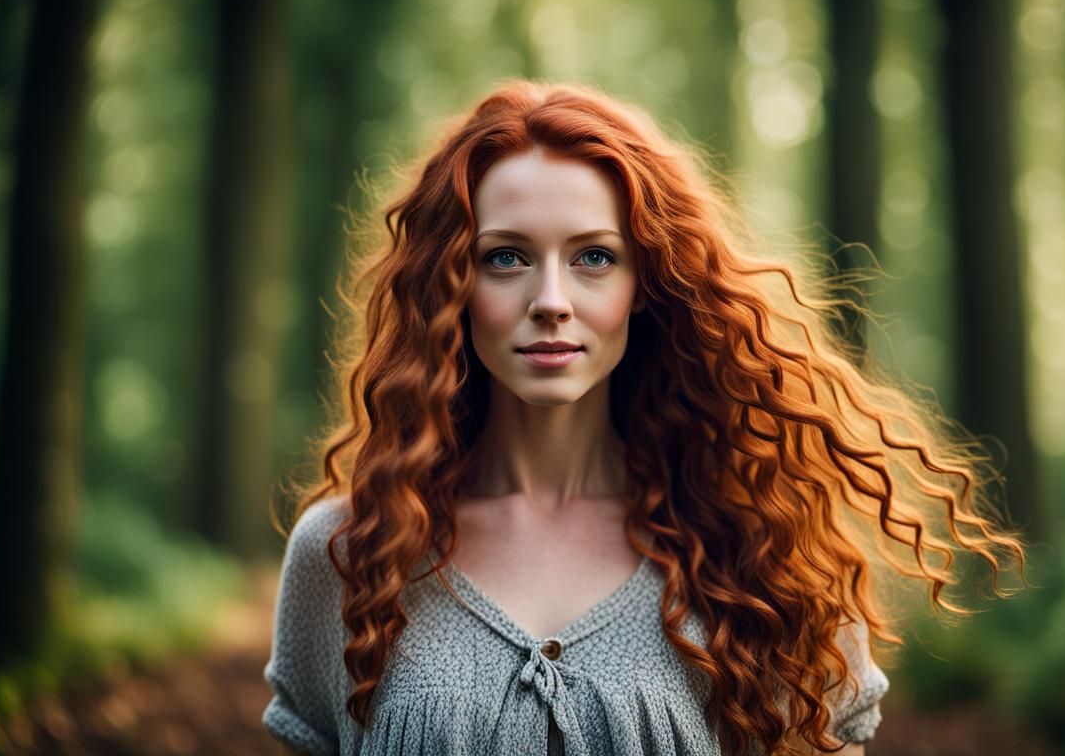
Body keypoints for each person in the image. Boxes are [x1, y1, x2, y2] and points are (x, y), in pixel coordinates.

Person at [261, 79, 1026, 756]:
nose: (551, 300)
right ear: (450, 287)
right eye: (506, 257)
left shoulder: (763, 550)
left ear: (647, 282)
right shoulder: (346, 554)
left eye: (594, 256)